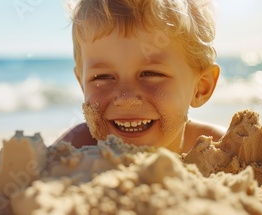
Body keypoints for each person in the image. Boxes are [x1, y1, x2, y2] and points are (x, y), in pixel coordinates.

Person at [55, 0, 226, 153]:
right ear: (82, 84)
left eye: (150, 74)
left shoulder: (222, 151)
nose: (126, 98)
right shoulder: (72, 149)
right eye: (102, 77)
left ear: (201, 88)